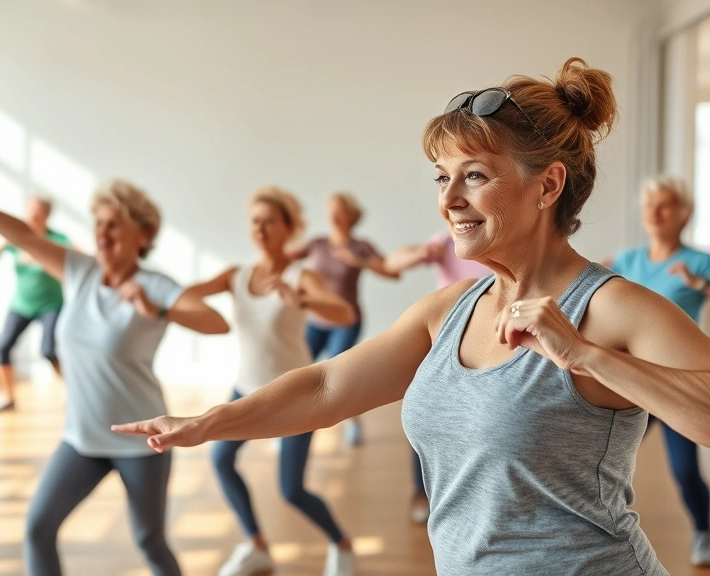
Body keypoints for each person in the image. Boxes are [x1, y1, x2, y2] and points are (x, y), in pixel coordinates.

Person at [113, 58, 710, 576]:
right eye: (442, 177)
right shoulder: (448, 312)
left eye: (474, 176)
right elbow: (326, 386)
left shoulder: (609, 308)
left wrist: (585, 355)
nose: (449, 199)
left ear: (548, 184)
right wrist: (210, 422)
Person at [0, 136, 229, 576]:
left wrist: (157, 309)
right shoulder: (79, 271)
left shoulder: (155, 286)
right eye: (98, 223)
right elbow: (21, 234)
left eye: (114, 224)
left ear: (143, 235)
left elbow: (215, 322)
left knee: (150, 542)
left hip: (143, 438)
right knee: (38, 528)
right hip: (82, 437)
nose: (102, 233)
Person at [185, 186, 356, 576]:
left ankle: (341, 543)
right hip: (246, 387)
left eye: (269, 221)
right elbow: (188, 294)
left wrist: (303, 301)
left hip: (294, 395)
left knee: (291, 491)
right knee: (221, 460)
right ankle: (256, 545)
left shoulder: (301, 275)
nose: (260, 229)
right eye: (255, 221)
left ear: (288, 228)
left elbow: (344, 312)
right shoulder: (236, 275)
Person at [607, 176, 710, 566]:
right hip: (631, 381)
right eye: (649, 205)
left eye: (664, 205)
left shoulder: (699, 262)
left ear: (683, 214)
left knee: (684, 471)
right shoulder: (626, 261)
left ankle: (705, 529)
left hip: (675, 385)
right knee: (602, 462)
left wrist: (698, 283)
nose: (653, 213)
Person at [385, 231, 492, 523]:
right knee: (425, 411)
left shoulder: (503, 242)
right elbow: (392, 263)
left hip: (493, 344)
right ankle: (421, 492)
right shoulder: (447, 241)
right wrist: (420, 254)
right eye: (443, 181)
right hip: (446, 342)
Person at [291, 192, 398, 447]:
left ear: (351, 215)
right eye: (331, 210)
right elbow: (283, 259)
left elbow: (392, 272)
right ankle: (289, 429)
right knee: (297, 371)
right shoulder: (316, 243)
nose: (334, 216)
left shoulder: (361, 247)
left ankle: (350, 422)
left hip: (346, 322)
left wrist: (359, 261)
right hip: (314, 321)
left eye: (340, 210)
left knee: (335, 377)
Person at [0, 194, 70, 414]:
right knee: (3, 346)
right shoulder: (18, 238)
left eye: (38, 212)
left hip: (51, 305)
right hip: (22, 305)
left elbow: (71, 261)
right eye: (30, 211)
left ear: (47, 215)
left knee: (49, 351)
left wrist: (41, 256)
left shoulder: (56, 239)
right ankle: (7, 397)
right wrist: (5, 240)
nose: (32, 216)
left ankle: (73, 394)